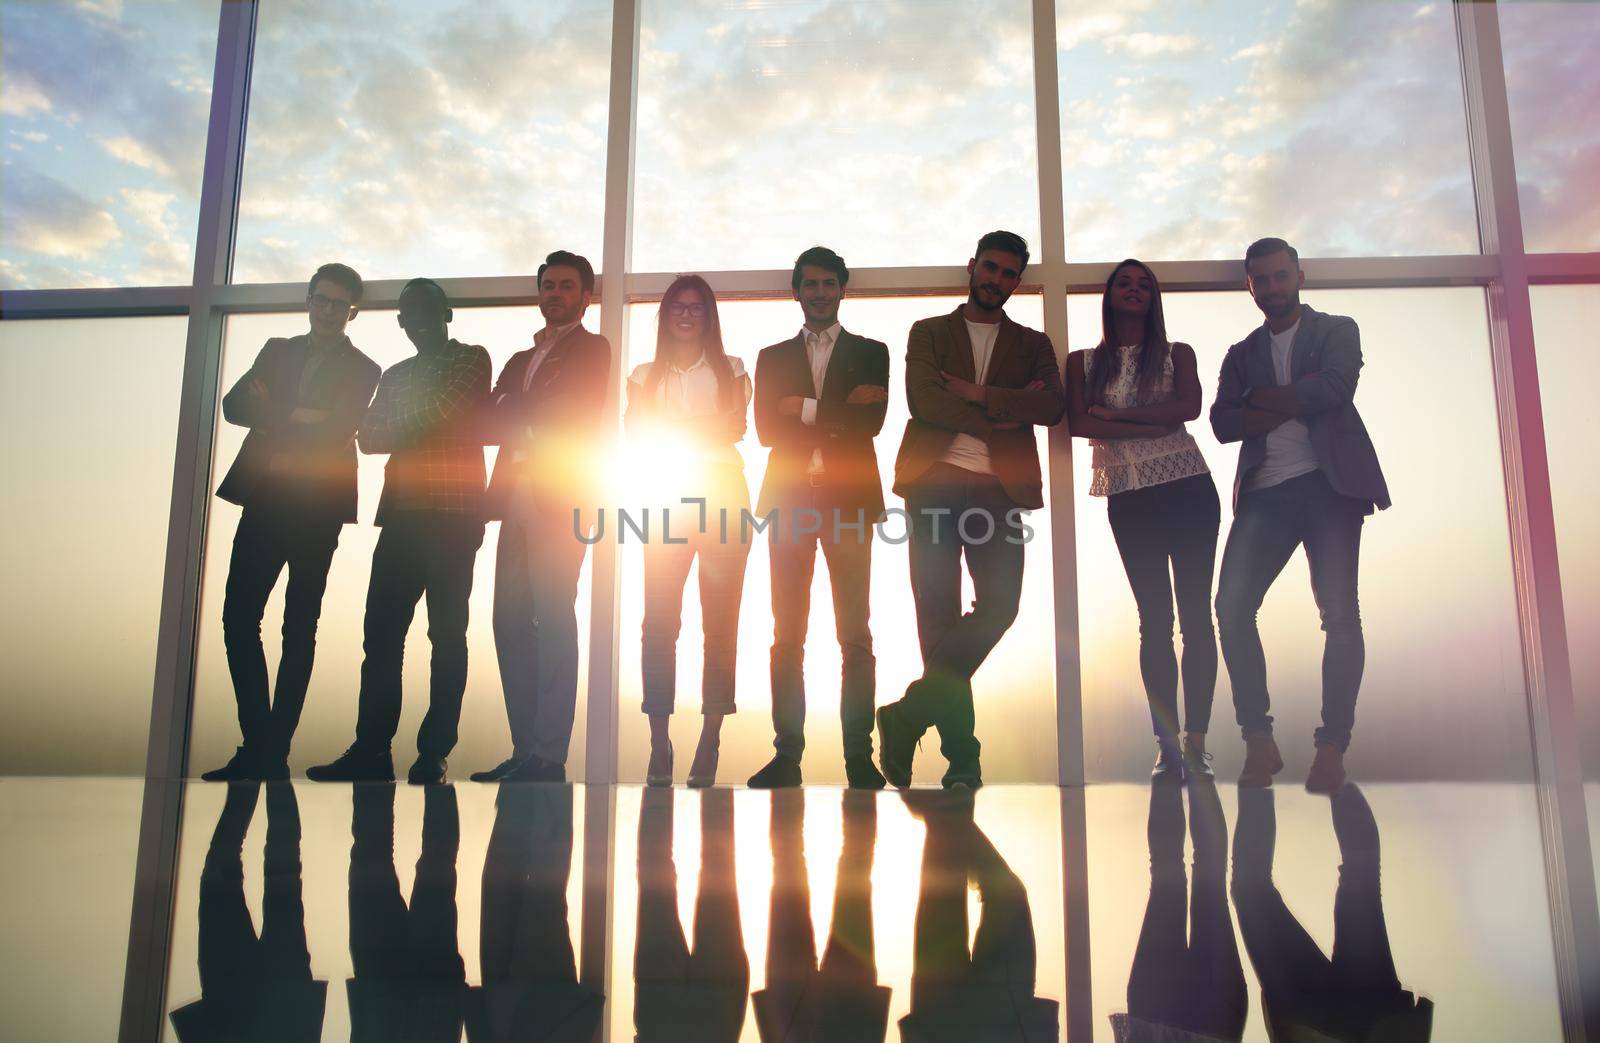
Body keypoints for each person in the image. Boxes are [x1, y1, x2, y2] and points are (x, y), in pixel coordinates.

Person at [878, 230, 1066, 791]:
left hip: (998, 491)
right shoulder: (929, 332)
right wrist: (1003, 414)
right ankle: (963, 760)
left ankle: (906, 716)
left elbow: (1052, 406)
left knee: (1001, 607)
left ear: (1016, 280)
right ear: (972, 267)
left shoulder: (1033, 345)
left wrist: (977, 394)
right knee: (937, 619)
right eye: (990, 268)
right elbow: (923, 400)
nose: (997, 280)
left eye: (1009, 274)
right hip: (933, 483)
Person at [1211, 238, 1390, 794]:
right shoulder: (1241, 354)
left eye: (1279, 275)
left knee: (1338, 613)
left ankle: (1332, 747)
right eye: (1260, 279)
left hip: (1329, 488)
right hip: (1265, 492)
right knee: (1231, 606)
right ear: (1250, 286)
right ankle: (1258, 742)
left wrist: (1259, 402)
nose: (1271, 287)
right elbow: (1221, 422)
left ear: (1299, 276)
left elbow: (1335, 389)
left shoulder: (1338, 329)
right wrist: (1294, 396)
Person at [308, 278, 492, 786]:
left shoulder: (471, 359)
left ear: (447, 314)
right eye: (409, 313)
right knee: (381, 638)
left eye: (428, 310)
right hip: (402, 520)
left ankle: (433, 754)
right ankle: (371, 749)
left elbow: (444, 411)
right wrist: (423, 422)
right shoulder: (394, 373)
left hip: (454, 518)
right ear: (401, 323)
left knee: (446, 637)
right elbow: (368, 437)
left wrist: (407, 423)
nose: (419, 320)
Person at [204, 263, 381, 781]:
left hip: (318, 507)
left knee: (298, 627)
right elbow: (234, 405)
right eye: (321, 300)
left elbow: (338, 423)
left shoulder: (364, 367)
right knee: (238, 618)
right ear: (308, 300)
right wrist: (299, 413)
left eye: (339, 305)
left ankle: (272, 749)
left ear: (352, 312)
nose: (327, 311)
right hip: (264, 498)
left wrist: (276, 409)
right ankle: (259, 742)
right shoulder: (276, 350)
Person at [1065, 260, 1220, 782]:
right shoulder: (1082, 362)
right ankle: (1167, 746)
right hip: (1129, 496)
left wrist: (1115, 420)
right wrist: (1146, 420)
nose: (1133, 291)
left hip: (1187, 488)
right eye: (1124, 284)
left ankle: (1197, 743)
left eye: (1143, 285)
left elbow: (1190, 410)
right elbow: (1081, 423)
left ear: (1154, 298)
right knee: (1154, 620)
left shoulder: (1178, 354)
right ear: (1108, 296)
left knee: (1197, 617)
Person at [747, 246, 890, 790]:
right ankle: (787, 757)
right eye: (810, 283)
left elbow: (869, 422)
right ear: (797, 290)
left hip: (849, 502)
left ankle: (860, 759)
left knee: (855, 633)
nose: (820, 292)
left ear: (843, 288)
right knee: (788, 633)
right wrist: (835, 411)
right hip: (788, 502)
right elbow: (765, 428)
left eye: (829, 283)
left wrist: (800, 410)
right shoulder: (771, 356)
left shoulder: (873, 352)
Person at [472, 251, 612, 784]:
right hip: (511, 497)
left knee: (553, 618)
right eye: (548, 285)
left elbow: (570, 411)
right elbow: (486, 420)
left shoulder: (593, 349)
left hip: (560, 498)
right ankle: (524, 747)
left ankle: (549, 754)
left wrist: (517, 409)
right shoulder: (517, 359)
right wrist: (521, 409)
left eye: (566, 286)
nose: (555, 293)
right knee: (508, 619)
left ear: (585, 295)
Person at [625, 274, 753, 788]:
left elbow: (734, 428)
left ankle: (711, 739)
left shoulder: (734, 368)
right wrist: (698, 427)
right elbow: (637, 433)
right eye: (676, 306)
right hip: (666, 495)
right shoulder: (642, 374)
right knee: (659, 622)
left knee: (720, 623)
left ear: (709, 316)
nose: (685, 314)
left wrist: (669, 426)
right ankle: (660, 743)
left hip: (724, 494)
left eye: (695, 308)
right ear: (664, 316)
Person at [1231, 785, 1433, 1040]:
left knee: (1359, 882)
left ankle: (1300, 765)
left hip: (1341, 1017)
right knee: (1252, 890)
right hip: (1341, 1019)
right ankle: (1311, 767)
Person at [168, 782, 327, 1041]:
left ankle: (265, 771)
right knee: (274, 870)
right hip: (244, 996)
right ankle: (264, 771)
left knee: (279, 870)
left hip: (257, 998)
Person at [1108, 781, 1246, 1043]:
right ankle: (1185, 752)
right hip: (1198, 1019)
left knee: (1185, 877)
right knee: (1187, 877)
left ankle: (1180, 752)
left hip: (1168, 1016)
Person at [465, 783, 604, 1042]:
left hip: (527, 1007)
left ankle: (541, 776)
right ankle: (544, 773)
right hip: (521, 1006)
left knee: (523, 881)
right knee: (528, 885)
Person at [752, 790, 891, 1042]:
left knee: (796, 864)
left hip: (812, 1013)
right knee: (797, 863)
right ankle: (858, 781)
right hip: (840, 1012)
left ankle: (795, 783)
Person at [345, 782, 467, 1041]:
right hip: (386, 987)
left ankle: (431, 776)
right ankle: (425, 774)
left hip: (418, 993)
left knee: (434, 863)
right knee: (375, 855)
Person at [633, 788, 749, 1042]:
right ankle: (660, 774)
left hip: (718, 1012)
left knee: (717, 866)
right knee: (655, 870)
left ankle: (706, 774)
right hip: (663, 1015)